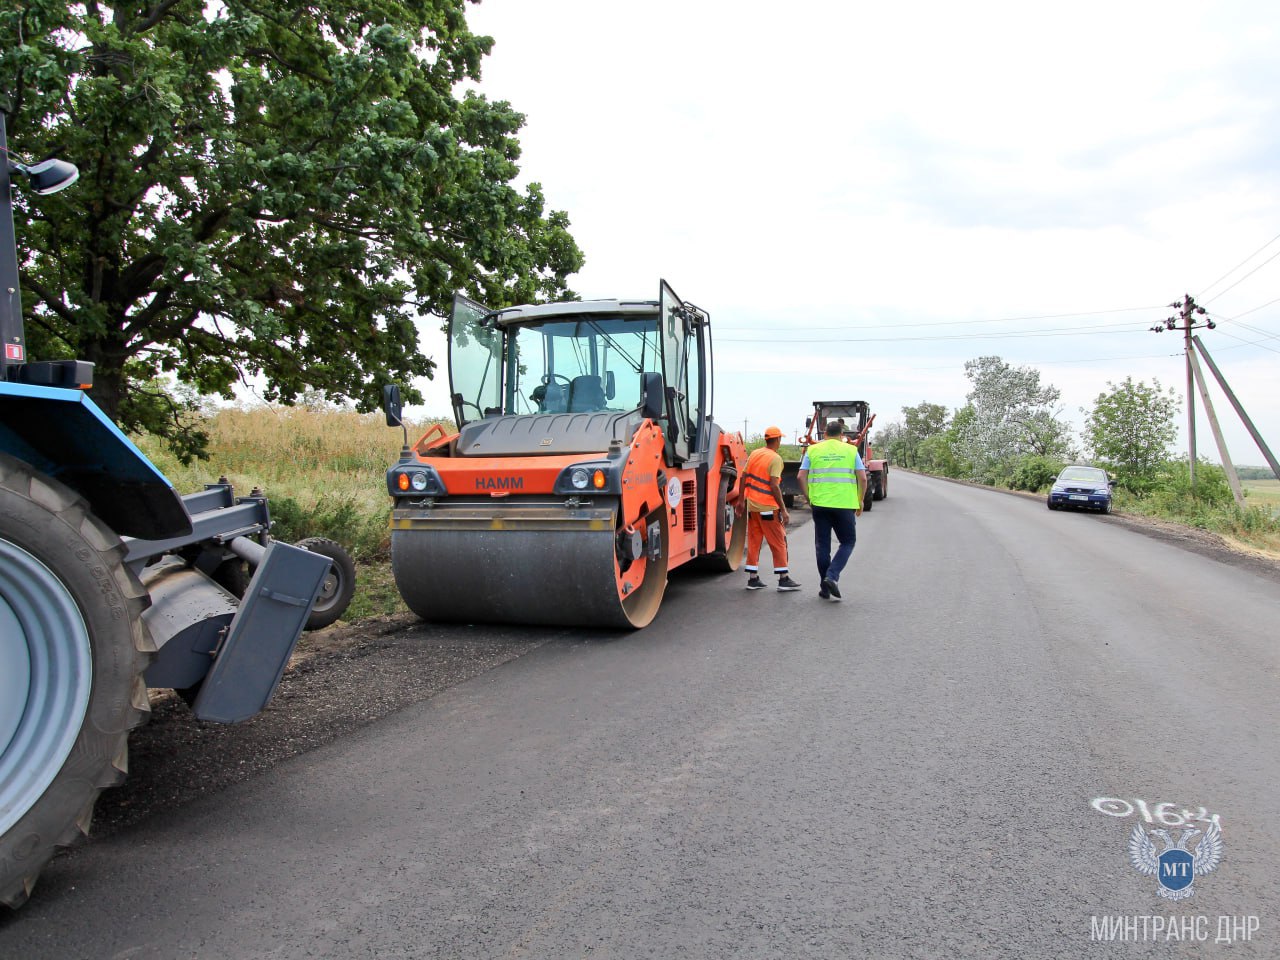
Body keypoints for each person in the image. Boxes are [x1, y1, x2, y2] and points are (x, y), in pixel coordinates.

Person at [797, 419, 867, 601]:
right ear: (842, 435)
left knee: (822, 546)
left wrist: (808, 497)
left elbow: (801, 476)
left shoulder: (812, 450)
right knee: (848, 542)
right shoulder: (851, 450)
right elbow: (863, 478)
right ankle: (832, 576)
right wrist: (860, 500)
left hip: (819, 504)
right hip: (845, 505)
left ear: (825, 434)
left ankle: (825, 588)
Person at [742, 426, 801, 592]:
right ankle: (784, 579)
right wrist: (784, 509)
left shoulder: (755, 454)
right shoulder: (775, 459)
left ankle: (752, 579)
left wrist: (741, 501)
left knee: (754, 542)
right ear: (777, 440)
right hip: (768, 507)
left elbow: (743, 477)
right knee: (779, 542)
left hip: (752, 506)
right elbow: (774, 485)